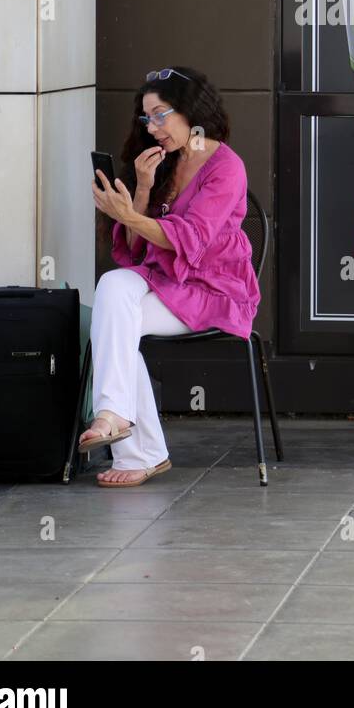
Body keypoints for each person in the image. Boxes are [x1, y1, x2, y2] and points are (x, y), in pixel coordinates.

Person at [81, 66, 260, 486]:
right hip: (165, 283)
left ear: (191, 111)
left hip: (214, 289)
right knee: (113, 287)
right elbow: (135, 252)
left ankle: (136, 450)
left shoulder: (226, 168)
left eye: (161, 114)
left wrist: (127, 214)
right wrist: (141, 190)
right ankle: (115, 415)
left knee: (116, 325)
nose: (153, 127)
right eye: (147, 118)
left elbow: (190, 238)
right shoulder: (166, 162)